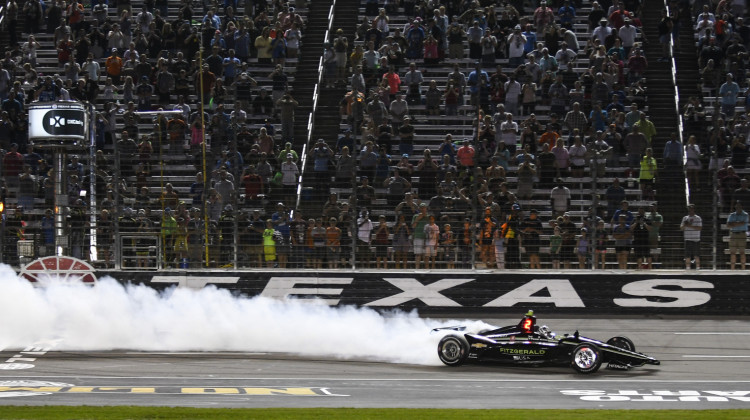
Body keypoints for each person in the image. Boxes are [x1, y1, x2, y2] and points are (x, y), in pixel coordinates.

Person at [727, 201, 748, 270]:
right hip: (733, 234)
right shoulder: (732, 215)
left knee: (742, 253)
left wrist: (733, 223)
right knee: (733, 253)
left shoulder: (745, 215)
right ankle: (732, 270)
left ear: (742, 206)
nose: (738, 207)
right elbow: (728, 225)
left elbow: (743, 223)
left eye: (739, 206)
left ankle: (743, 269)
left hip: (742, 234)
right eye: (736, 206)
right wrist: (738, 223)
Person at [680, 204, 702, 270]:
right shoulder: (685, 218)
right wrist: (684, 224)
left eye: (692, 208)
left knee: (696, 254)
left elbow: (699, 228)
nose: (690, 210)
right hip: (688, 238)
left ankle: (698, 267)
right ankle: (688, 267)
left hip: (696, 239)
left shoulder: (698, 218)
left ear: (694, 209)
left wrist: (689, 225)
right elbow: (681, 228)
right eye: (689, 208)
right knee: (687, 255)